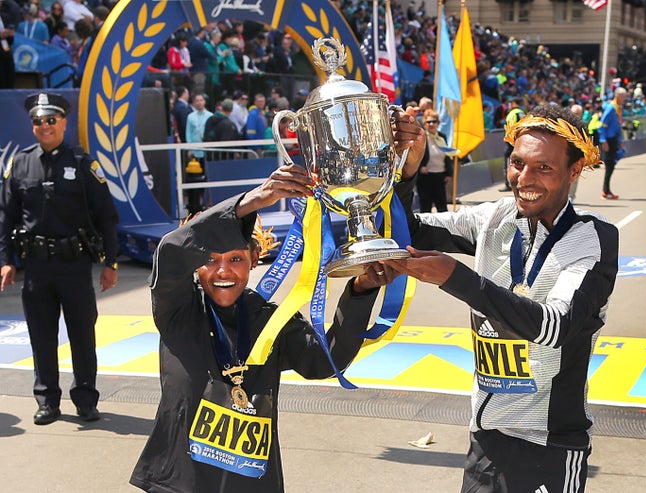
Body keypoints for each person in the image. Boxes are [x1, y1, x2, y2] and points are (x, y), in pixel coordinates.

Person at [386, 104, 619, 493]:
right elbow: (406, 231)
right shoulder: (494, 217)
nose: (524, 178)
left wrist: (456, 278)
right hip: (485, 439)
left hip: (550, 445)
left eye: (544, 167)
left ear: (574, 171)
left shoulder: (594, 238)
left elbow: (553, 326)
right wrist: (407, 172)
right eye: (517, 162)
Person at [129, 164, 392, 492]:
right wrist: (250, 202)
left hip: (249, 482)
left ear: (255, 257)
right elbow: (169, 252)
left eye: (235, 259)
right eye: (210, 260)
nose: (223, 271)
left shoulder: (268, 317)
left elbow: (323, 361)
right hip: (181, 481)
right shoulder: (179, 310)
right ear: (194, 264)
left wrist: (362, 290)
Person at [0, 92, 120, 425]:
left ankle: (85, 399)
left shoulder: (83, 164)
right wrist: (6, 260)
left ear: (64, 122)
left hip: (74, 265)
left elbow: (106, 217)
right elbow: (5, 217)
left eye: (51, 120)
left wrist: (111, 263)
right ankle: (47, 401)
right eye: (38, 121)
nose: (44, 127)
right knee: (41, 335)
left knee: (82, 334)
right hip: (36, 267)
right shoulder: (20, 163)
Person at [416, 109, 452, 213]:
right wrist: (421, 167)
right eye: (428, 122)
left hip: (440, 176)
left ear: (438, 123)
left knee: (442, 207)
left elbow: (447, 155)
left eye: (434, 122)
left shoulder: (442, 137)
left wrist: (448, 173)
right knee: (426, 208)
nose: (431, 124)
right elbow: (416, 156)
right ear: (424, 124)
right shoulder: (421, 138)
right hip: (426, 177)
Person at [598, 87, 626, 200]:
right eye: (623, 97)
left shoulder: (618, 108)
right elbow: (602, 125)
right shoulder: (611, 108)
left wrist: (619, 141)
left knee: (611, 166)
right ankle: (606, 191)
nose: (624, 99)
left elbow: (617, 126)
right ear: (617, 96)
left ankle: (607, 190)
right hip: (608, 140)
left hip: (614, 139)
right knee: (609, 166)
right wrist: (603, 140)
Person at [499, 97, 525, 192]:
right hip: (518, 141)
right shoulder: (521, 112)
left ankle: (508, 183)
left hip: (512, 142)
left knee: (509, 161)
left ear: (513, 103)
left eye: (510, 103)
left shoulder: (514, 113)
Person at [0, 0, 22, 89]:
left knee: (8, 75)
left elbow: (11, 31)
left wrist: (9, 33)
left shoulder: (4, 16)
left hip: (5, 49)